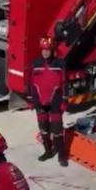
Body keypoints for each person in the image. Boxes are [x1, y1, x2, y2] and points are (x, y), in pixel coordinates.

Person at [28, 36, 68, 167]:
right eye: (44, 50)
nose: (46, 52)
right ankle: (48, 151)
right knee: (44, 129)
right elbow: (31, 83)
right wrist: (31, 100)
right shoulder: (35, 64)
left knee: (57, 131)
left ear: (52, 50)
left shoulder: (60, 64)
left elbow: (65, 83)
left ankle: (62, 155)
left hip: (56, 101)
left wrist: (64, 101)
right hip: (40, 102)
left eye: (48, 50)